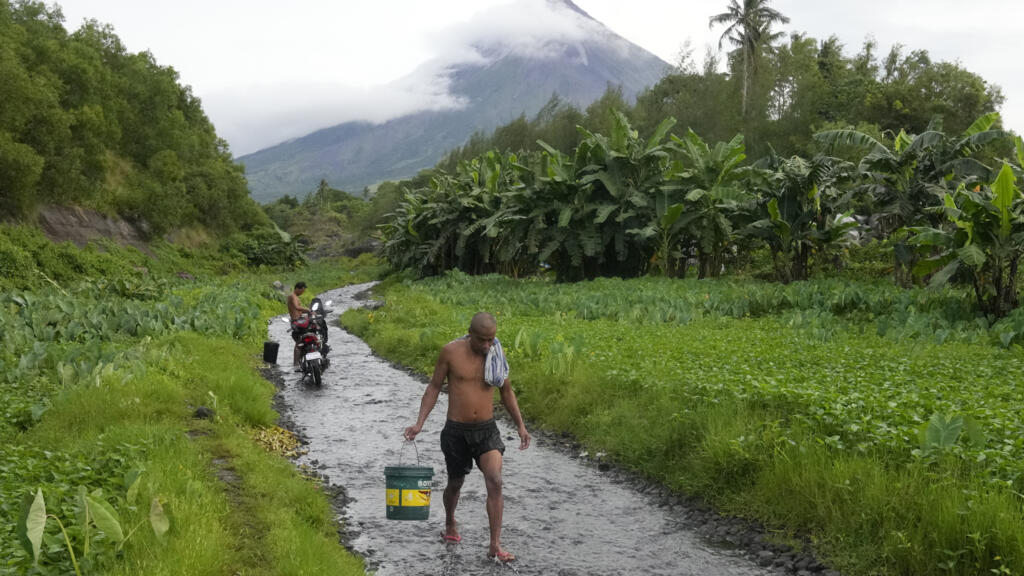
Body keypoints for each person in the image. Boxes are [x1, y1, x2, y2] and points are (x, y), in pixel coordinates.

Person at [403, 312, 530, 564]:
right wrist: (419, 423)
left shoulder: (496, 353)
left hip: (487, 430)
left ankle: (495, 545)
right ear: (470, 333)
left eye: (490, 339)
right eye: (482, 340)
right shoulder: (450, 352)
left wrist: (521, 426)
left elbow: (506, 391)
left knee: (494, 480)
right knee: (455, 483)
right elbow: (434, 388)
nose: (486, 345)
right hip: (456, 432)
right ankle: (450, 521)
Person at [287, 282, 310, 364]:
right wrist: (307, 310)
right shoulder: (292, 296)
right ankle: (295, 363)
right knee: (299, 342)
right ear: (298, 288)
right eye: (302, 291)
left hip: (300, 320)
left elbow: (298, 310)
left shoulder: (295, 297)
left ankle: (302, 359)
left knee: (303, 340)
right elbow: (296, 307)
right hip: (296, 322)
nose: (302, 293)